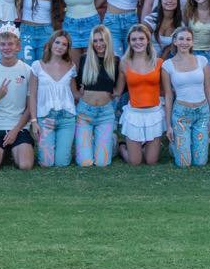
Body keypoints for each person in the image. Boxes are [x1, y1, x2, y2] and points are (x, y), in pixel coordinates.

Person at [0, 24, 35, 171]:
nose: (6, 48)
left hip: (19, 126)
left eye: (10, 44)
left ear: (18, 47)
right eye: (3, 44)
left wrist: (16, 130)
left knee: (25, 165)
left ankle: (10, 149)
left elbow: (30, 108)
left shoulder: (28, 71)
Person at [162, 26, 210, 168]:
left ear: (192, 42)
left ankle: (189, 144)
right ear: (174, 41)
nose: (184, 42)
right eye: (181, 39)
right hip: (181, 114)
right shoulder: (167, 65)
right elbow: (168, 95)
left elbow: (208, 89)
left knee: (200, 162)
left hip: (202, 113)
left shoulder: (202, 61)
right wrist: (168, 126)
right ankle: (176, 147)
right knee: (184, 164)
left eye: (188, 39)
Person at [30, 30, 79, 167]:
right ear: (51, 44)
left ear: (67, 48)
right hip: (45, 118)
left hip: (67, 118)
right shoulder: (37, 66)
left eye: (64, 44)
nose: (60, 46)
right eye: (57, 42)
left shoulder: (71, 66)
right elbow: (32, 96)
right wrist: (34, 121)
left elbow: (74, 93)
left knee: (61, 163)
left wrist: (89, 94)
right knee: (46, 163)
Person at [118, 23, 165, 165]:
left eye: (141, 38)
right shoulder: (124, 63)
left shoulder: (158, 62)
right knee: (135, 162)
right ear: (129, 42)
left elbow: (165, 90)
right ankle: (121, 147)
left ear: (148, 40)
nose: (138, 42)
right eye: (134, 39)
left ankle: (144, 146)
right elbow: (118, 91)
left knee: (151, 161)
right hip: (134, 115)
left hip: (154, 114)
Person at [74, 24, 120, 167]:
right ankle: (90, 142)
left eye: (102, 40)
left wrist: (117, 92)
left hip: (105, 114)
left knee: (102, 163)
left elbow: (119, 87)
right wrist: (78, 93)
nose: (99, 44)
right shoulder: (84, 59)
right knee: (85, 163)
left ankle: (111, 141)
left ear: (108, 41)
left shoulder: (116, 61)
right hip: (84, 113)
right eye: (95, 41)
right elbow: (75, 82)